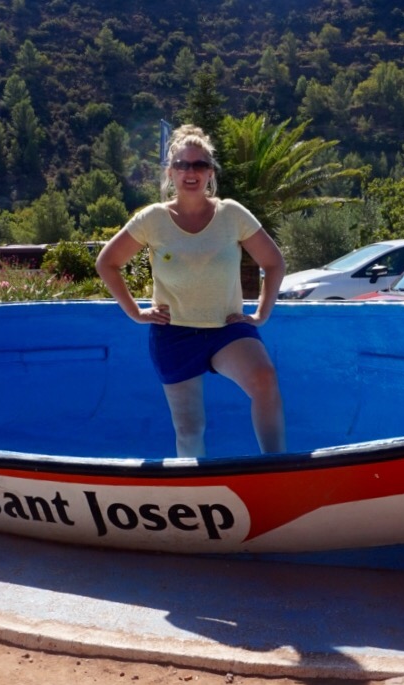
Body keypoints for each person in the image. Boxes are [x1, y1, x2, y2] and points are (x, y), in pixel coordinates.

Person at [96, 124, 287, 458]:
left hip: (227, 328)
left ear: (210, 173)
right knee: (189, 428)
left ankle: (277, 468)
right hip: (174, 335)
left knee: (264, 379)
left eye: (199, 165)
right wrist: (135, 313)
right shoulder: (152, 219)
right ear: (170, 172)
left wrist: (260, 314)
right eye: (182, 165)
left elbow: (274, 263)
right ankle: (194, 486)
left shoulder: (231, 214)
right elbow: (107, 262)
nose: (190, 172)